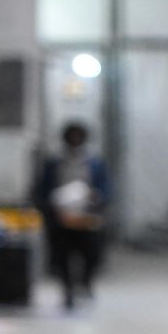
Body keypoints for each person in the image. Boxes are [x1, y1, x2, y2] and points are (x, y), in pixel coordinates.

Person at [35, 122, 109, 310]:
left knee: (92, 255)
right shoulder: (54, 163)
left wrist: (96, 197)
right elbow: (42, 190)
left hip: (87, 217)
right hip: (62, 218)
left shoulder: (94, 162)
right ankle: (67, 290)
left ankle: (85, 282)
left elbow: (106, 188)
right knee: (63, 256)